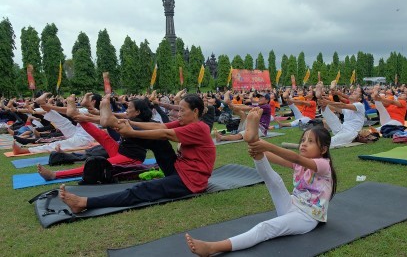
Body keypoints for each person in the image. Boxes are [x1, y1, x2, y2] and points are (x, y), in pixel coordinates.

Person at [185, 107, 336, 256]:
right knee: (274, 179)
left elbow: (294, 157)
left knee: (264, 228)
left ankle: (213, 247)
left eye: (310, 142)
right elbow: (270, 156)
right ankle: (253, 137)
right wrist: (256, 147)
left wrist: (265, 146)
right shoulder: (301, 164)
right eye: (303, 140)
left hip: (307, 217)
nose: (303, 144)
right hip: (292, 204)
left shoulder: (324, 164)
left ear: (323, 149)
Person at [58, 94, 216, 213]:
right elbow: (157, 127)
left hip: (191, 181)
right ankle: (110, 121)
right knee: (157, 140)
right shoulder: (186, 122)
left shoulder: (199, 128)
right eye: (178, 110)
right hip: (178, 169)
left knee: (142, 189)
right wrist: (127, 124)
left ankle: (83, 203)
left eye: (182, 110)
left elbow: (166, 134)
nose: (178, 113)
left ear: (195, 112)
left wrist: (132, 133)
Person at [37, 95, 152, 180]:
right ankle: (76, 116)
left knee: (95, 165)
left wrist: (86, 117)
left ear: (137, 112)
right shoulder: (129, 117)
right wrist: (87, 115)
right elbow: (108, 118)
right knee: (102, 135)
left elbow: (111, 121)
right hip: (120, 150)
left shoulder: (140, 123)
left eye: (129, 107)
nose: (126, 109)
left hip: (130, 158)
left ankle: (55, 175)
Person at [317, 83, 365, 148]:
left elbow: (342, 105)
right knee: (326, 109)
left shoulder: (359, 105)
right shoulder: (347, 109)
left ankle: (315, 145)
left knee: (332, 141)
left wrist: (327, 102)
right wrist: (322, 101)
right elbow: (334, 107)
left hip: (351, 132)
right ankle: (319, 97)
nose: (352, 93)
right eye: (353, 93)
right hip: (341, 128)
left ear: (359, 99)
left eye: (355, 94)